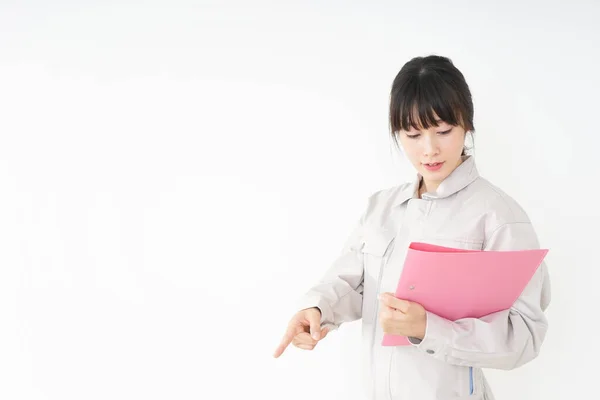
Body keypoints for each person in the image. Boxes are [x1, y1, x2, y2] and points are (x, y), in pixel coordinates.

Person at [272, 55, 551, 400]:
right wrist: (315, 310)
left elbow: (524, 336)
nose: (429, 149)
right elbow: (353, 284)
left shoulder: (499, 216)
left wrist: (427, 329)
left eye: (444, 131)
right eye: (413, 134)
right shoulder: (382, 207)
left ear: (467, 124)